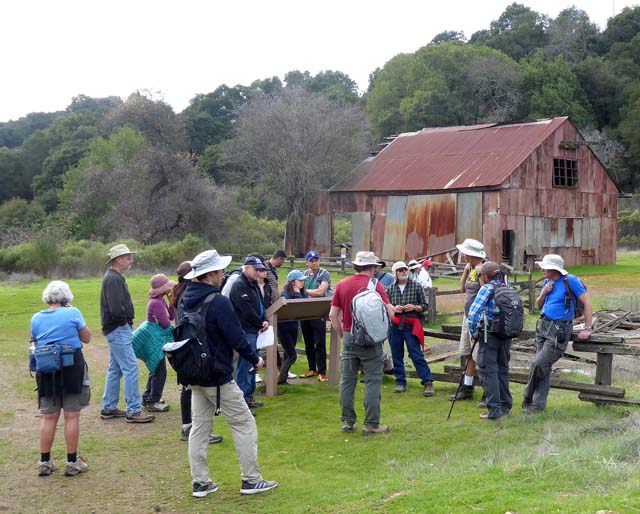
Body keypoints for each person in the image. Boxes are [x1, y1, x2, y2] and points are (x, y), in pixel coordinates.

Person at [181, 249, 278, 497]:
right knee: (244, 423)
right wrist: (254, 358)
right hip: (216, 374)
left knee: (200, 427)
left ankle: (200, 482)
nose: (223, 273)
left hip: (194, 374)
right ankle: (251, 479)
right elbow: (234, 335)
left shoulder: (186, 299)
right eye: (220, 270)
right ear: (210, 274)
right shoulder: (217, 301)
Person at [329, 251, 395, 436]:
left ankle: (348, 422)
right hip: (370, 340)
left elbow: (333, 315)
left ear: (356, 266)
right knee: (373, 380)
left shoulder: (342, 285)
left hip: (349, 336)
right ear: (373, 268)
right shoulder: (374, 285)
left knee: (347, 381)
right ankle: (371, 424)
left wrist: (342, 334)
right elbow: (390, 312)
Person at [31, 281, 92, 477]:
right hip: (71, 367)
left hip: (47, 369)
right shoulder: (73, 313)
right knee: (71, 416)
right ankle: (72, 462)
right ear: (66, 297)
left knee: (49, 416)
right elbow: (87, 337)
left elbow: (36, 339)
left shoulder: (36, 318)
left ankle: (44, 461)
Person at [522, 254, 593, 413]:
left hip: (559, 329)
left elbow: (587, 303)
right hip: (543, 326)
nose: (541, 269)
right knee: (543, 367)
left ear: (554, 269)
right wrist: (543, 293)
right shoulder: (548, 282)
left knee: (538, 364)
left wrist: (587, 328)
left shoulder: (571, 281)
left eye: (544, 267)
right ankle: (538, 407)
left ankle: (528, 396)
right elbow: (539, 306)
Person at [100, 244, 154, 423]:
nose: (130, 260)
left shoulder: (114, 277)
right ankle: (134, 410)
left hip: (115, 328)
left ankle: (109, 407)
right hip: (118, 328)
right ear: (117, 260)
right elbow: (116, 307)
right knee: (131, 367)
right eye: (127, 257)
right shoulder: (113, 279)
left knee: (115, 369)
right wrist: (124, 322)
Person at [171, 261, 223, 444]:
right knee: (196, 388)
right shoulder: (189, 293)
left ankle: (188, 426)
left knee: (188, 386)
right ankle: (196, 429)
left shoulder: (180, 292)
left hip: (184, 344)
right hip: (192, 344)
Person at [467, 262, 513, 422]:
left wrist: (473, 333)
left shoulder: (487, 288)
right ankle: (506, 406)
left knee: (488, 370)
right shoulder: (507, 288)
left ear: (485, 277)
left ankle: (494, 411)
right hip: (506, 335)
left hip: (489, 334)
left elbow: (473, 313)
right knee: (502, 370)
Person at [386, 261, 434, 397]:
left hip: (411, 324)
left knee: (416, 354)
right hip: (395, 324)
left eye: (405, 270)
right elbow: (385, 306)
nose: (403, 272)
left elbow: (425, 305)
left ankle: (428, 382)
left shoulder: (417, 286)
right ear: (395, 273)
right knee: (396, 354)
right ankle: (400, 382)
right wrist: (394, 309)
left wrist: (414, 307)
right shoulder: (389, 289)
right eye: (400, 270)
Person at [230, 256, 270, 410]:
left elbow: (261, 304)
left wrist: (264, 319)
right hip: (246, 330)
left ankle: (249, 396)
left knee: (253, 365)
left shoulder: (253, 284)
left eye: (260, 269)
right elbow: (246, 310)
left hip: (255, 330)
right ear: (246, 267)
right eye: (256, 269)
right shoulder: (239, 285)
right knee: (245, 365)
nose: (258, 272)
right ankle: (242, 400)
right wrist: (260, 322)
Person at [131, 273, 176, 413]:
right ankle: (153, 401)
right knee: (159, 370)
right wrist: (173, 330)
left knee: (155, 368)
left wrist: (171, 302)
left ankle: (148, 397)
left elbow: (171, 316)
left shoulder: (160, 300)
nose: (170, 289)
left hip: (156, 338)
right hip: (153, 339)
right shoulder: (156, 303)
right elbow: (165, 324)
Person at [450, 238, 486, 403]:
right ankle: (467, 388)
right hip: (468, 316)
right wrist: (466, 271)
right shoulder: (471, 268)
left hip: (479, 318)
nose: (463, 256)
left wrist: (479, 274)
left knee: (480, 354)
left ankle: (488, 390)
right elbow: (462, 288)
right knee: (468, 353)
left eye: (465, 253)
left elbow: (485, 291)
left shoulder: (483, 269)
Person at [300, 250, 332, 382]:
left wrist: (306, 291)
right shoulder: (304, 274)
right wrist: (307, 292)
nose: (314, 263)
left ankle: (322, 371)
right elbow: (297, 290)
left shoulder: (324, 273)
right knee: (308, 343)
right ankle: (311, 368)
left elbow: (321, 291)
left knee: (320, 342)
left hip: (319, 312)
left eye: (316, 260)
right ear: (307, 262)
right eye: (311, 261)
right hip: (305, 311)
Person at [277, 270, 307, 385]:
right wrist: (297, 293)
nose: (302, 282)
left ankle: (283, 378)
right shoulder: (285, 294)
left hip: (293, 327)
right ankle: (281, 379)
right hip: (284, 328)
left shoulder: (301, 292)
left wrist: (299, 292)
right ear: (293, 282)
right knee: (292, 355)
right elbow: (296, 307)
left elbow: (304, 306)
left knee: (287, 354)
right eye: (300, 280)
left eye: (303, 280)